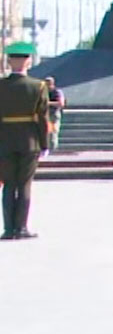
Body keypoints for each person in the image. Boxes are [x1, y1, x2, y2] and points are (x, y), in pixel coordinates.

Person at [0, 42, 51, 239]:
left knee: (9, 185)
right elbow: (43, 119)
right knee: (24, 185)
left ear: (9, 60)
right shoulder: (38, 87)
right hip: (29, 142)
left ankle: (8, 229)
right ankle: (21, 228)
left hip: (4, 142)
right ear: (28, 62)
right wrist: (45, 144)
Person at [42, 76, 62, 153]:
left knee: (53, 133)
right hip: (44, 114)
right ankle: (46, 149)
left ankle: (53, 150)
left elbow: (60, 103)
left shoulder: (56, 92)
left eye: (48, 84)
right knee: (45, 133)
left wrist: (48, 103)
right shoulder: (43, 92)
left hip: (53, 115)